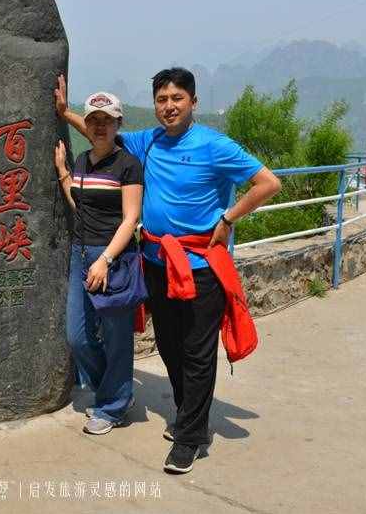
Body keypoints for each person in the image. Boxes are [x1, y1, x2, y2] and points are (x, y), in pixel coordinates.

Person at [56, 68, 280, 473]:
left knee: (197, 351)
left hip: (200, 265)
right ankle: (187, 412)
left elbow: (268, 183)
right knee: (169, 346)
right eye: (161, 99)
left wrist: (229, 218)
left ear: (193, 102)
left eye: (177, 98)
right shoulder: (150, 141)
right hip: (156, 261)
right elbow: (103, 135)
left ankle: (191, 436)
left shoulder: (215, 145)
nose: (168, 106)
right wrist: (66, 113)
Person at [53, 81, 143, 435]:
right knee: (76, 335)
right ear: (87, 125)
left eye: (107, 119)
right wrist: (63, 171)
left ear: (118, 123)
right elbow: (82, 205)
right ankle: (117, 391)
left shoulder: (128, 165)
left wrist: (104, 259)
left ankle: (113, 407)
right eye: (94, 120)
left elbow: (130, 218)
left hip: (114, 257)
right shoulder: (81, 160)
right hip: (81, 253)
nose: (100, 126)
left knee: (116, 335)